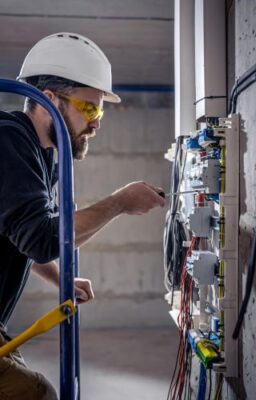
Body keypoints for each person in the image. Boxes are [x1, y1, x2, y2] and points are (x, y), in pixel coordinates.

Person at [0, 32, 165, 399]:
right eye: (90, 108)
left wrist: (61, 280)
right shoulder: (7, 142)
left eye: (100, 110)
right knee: (36, 392)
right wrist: (119, 202)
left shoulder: (39, 153)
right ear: (48, 100)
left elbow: (27, 235)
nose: (97, 123)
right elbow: (43, 239)